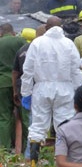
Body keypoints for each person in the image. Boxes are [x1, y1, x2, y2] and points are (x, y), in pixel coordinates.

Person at [21, 16, 82, 164]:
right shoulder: (69, 44)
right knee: (65, 125)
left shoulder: (37, 43)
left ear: (46, 28)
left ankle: (34, 162)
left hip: (41, 88)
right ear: (61, 27)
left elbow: (27, 70)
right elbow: (76, 70)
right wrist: (77, 90)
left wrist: (26, 93)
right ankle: (63, 162)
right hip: (65, 89)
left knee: (38, 126)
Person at [12, 26, 45, 157]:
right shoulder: (45, 49)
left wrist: (15, 91)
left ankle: (28, 153)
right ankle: (32, 154)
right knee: (34, 122)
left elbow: (15, 72)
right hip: (39, 89)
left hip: (24, 89)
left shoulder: (22, 50)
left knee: (28, 121)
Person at [0, 23, 27, 149]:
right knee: (25, 117)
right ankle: (27, 150)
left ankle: (5, 149)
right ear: (13, 32)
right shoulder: (21, 41)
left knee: (4, 116)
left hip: (2, 84)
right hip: (21, 84)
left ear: (1, 32)